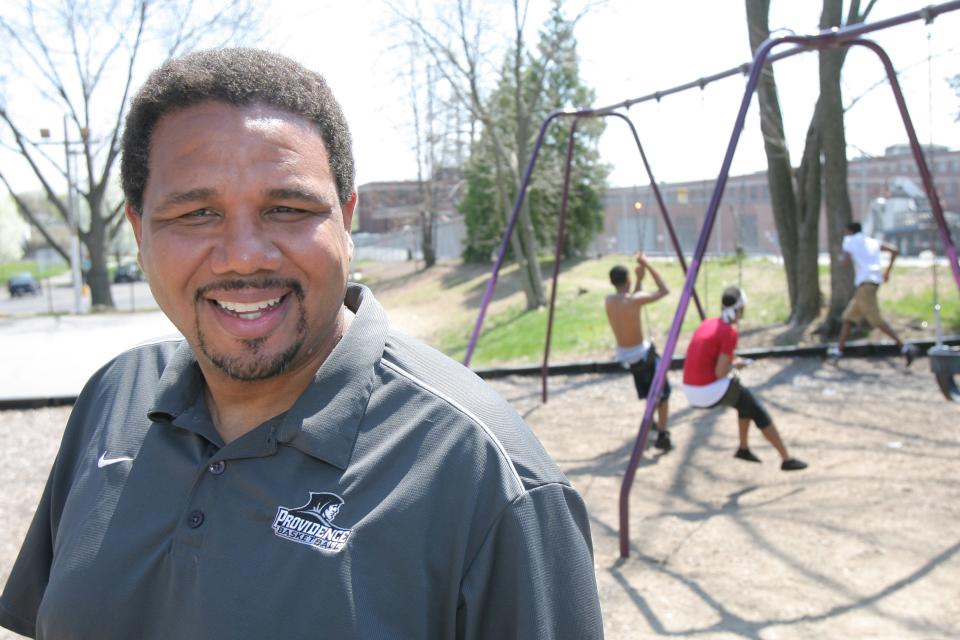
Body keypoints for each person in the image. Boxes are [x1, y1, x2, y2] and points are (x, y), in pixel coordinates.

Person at [0, 49, 603, 640]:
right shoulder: (114, 395)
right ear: (138, 232)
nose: (243, 255)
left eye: (287, 208)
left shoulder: (483, 476)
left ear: (346, 220)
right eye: (197, 213)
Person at [682, 286, 807, 471]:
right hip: (705, 390)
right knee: (756, 409)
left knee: (743, 402)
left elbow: (710, 357)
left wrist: (730, 363)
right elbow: (720, 373)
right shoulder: (730, 332)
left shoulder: (707, 323)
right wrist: (735, 365)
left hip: (689, 387)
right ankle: (786, 458)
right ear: (740, 309)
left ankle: (744, 448)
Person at [605, 253, 672, 450]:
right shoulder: (635, 301)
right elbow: (664, 290)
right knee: (664, 393)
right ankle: (662, 434)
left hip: (627, 358)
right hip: (643, 356)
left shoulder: (609, 301)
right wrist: (647, 265)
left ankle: (652, 423)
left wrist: (639, 281)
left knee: (649, 390)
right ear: (628, 280)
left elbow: (632, 302)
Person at [827, 222, 917, 366]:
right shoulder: (871, 241)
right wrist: (887, 272)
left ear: (849, 231)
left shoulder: (849, 241)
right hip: (872, 282)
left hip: (865, 285)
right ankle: (838, 351)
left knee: (876, 320)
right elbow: (894, 250)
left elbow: (844, 262)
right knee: (848, 318)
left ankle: (905, 348)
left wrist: (839, 254)